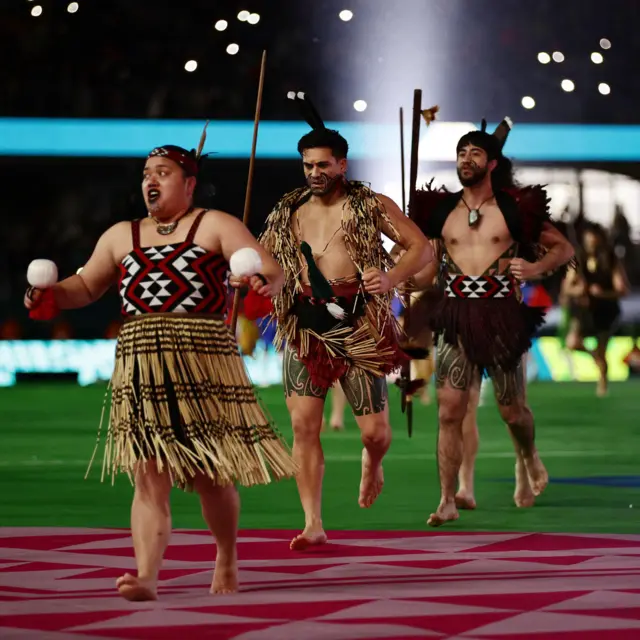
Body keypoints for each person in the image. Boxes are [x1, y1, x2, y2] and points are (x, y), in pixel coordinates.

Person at [24, 136, 297, 599]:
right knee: (148, 472)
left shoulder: (215, 225)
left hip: (203, 359)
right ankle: (146, 575)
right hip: (140, 361)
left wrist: (255, 279)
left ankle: (226, 558)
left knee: (211, 472)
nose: (151, 181)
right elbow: (86, 286)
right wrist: (48, 294)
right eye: (146, 174)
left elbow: (271, 270)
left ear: (189, 184)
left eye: (163, 173)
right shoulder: (121, 235)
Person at [246, 93, 432, 550]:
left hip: (359, 325)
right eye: (308, 164)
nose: (314, 173)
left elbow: (421, 248)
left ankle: (374, 461)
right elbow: (268, 261)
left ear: (343, 165)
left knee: (376, 432)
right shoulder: (288, 211)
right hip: (305, 325)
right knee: (305, 426)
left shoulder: (370, 205)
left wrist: (389, 278)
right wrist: (263, 281)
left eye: (323, 164)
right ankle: (313, 521)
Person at [410, 117, 575, 526]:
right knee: (450, 411)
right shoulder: (442, 211)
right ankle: (447, 499)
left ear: (492, 163)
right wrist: (403, 282)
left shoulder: (516, 210)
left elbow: (564, 249)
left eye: (475, 153)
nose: (466, 160)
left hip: (502, 317)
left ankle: (528, 456)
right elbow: (429, 269)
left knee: (512, 411)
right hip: (454, 317)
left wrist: (535, 268)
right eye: (461, 153)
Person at [562, 222, 630, 396]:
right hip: (584, 309)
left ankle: (602, 381)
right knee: (572, 342)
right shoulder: (578, 258)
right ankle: (597, 359)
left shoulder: (610, 259)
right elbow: (568, 287)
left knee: (602, 348)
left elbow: (622, 289)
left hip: (606, 310)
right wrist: (578, 290)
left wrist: (602, 293)